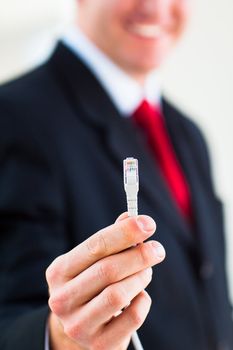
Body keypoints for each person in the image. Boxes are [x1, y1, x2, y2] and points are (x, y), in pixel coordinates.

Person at [0, 0, 232, 349]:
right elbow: (10, 318)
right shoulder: (14, 117)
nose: (156, 7)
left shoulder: (188, 134)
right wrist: (61, 338)